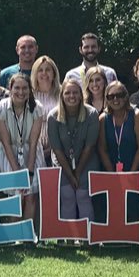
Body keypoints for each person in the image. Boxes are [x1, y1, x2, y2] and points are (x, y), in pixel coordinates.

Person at [0, 74, 44, 232]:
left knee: (30, 194)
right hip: (10, 152)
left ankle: (28, 234)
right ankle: (16, 234)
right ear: (10, 89)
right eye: (17, 88)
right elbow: (6, 143)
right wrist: (17, 174)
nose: (21, 92)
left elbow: (34, 142)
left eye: (24, 88)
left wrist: (28, 172)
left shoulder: (37, 108)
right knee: (15, 195)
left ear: (30, 90)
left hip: (31, 152)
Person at [47, 79, 101, 222]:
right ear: (62, 95)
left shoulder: (91, 114)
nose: (72, 96)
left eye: (75, 92)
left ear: (81, 95)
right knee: (67, 195)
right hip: (62, 161)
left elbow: (90, 146)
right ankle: (69, 237)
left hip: (86, 160)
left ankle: (88, 236)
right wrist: (70, 175)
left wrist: (77, 172)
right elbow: (56, 149)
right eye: (68, 93)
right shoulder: (53, 117)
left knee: (83, 195)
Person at [99, 81, 139, 173]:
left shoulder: (137, 116)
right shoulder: (102, 119)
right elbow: (102, 149)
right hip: (111, 173)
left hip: (136, 171)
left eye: (119, 95)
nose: (115, 99)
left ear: (126, 96)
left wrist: (131, 173)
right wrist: (112, 174)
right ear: (106, 99)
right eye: (111, 96)